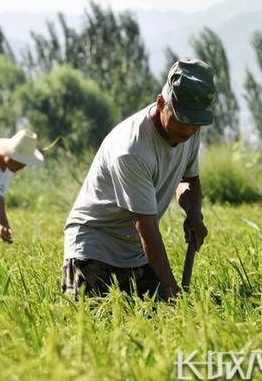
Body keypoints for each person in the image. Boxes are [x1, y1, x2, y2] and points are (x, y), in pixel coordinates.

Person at [62, 58, 216, 303]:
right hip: (94, 250)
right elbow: (146, 228)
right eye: (182, 121)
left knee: (159, 329)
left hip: (134, 253)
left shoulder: (190, 130)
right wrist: (170, 287)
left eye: (196, 124)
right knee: (100, 331)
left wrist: (194, 214)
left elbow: (188, 180)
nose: (188, 131)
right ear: (161, 102)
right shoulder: (132, 150)